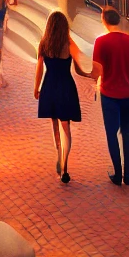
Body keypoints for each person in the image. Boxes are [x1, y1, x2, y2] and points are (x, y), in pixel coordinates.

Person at [91, 7, 129, 185]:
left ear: (104, 21)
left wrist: (90, 79)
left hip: (109, 94)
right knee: (126, 132)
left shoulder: (101, 42)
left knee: (111, 133)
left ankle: (117, 172)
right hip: (128, 94)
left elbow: (96, 71)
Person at [35, 10, 90, 183]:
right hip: (66, 86)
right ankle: (65, 165)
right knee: (66, 127)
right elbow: (78, 68)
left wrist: (36, 88)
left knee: (54, 124)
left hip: (50, 85)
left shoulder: (44, 44)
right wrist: (88, 75)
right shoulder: (68, 43)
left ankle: (59, 157)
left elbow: (39, 70)